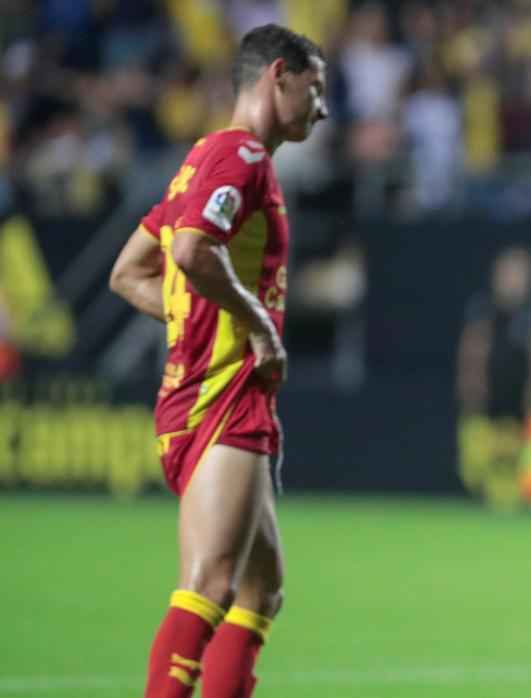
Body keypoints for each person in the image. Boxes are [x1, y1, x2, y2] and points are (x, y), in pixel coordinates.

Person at [108, 24, 327, 698]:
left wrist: (201, 321)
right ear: (279, 74)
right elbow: (190, 252)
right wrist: (257, 326)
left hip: (215, 392)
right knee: (209, 581)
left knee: (261, 591)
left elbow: (129, 273)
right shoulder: (243, 159)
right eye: (315, 90)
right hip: (218, 401)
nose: (321, 108)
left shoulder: (201, 158)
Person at [456, 246, 531, 506]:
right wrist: (471, 381)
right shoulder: (483, 307)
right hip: (492, 392)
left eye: (517, 273)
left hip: (524, 393)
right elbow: (473, 347)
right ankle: (483, 490)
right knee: (482, 443)